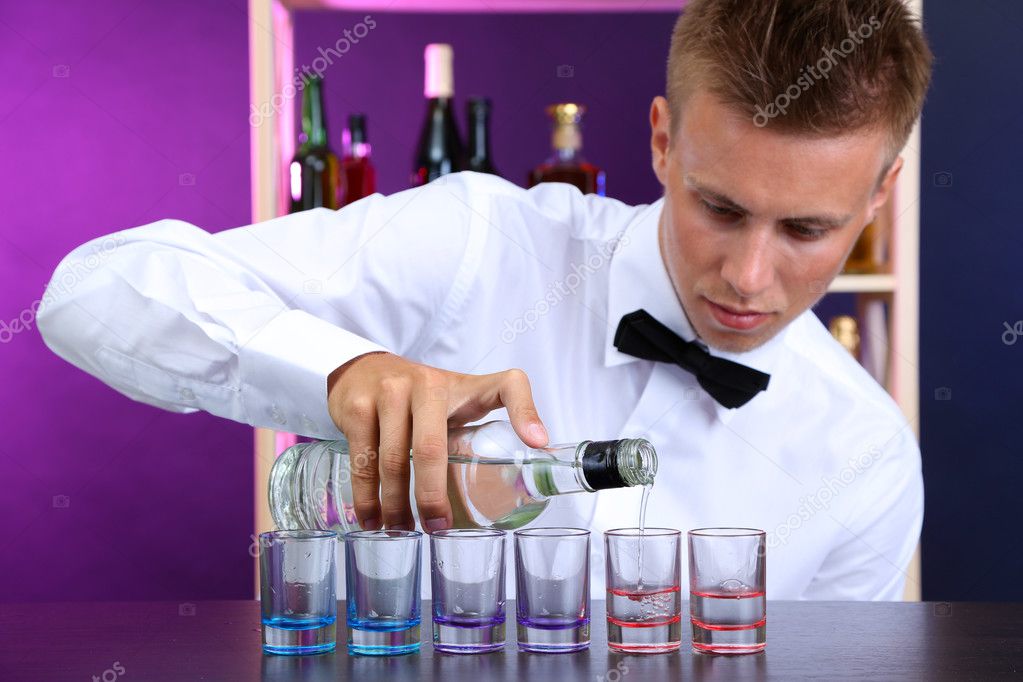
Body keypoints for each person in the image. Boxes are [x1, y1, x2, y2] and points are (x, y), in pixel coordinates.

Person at [37, 0, 932, 600]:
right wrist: (343, 371)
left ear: (880, 193)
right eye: (719, 207)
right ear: (662, 141)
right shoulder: (478, 243)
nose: (746, 275)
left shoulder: (868, 465)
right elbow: (90, 293)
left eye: (806, 231)